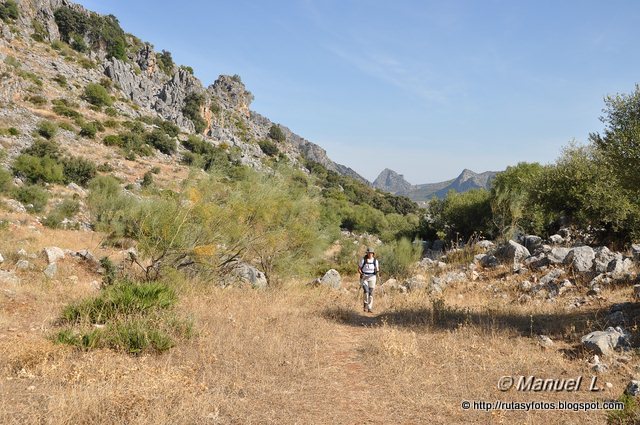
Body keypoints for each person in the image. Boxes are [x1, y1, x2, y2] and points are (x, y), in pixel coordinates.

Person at [358, 247, 379, 313]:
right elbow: (359, 269)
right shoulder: (363, 260)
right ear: (367, 253)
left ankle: (369, 308)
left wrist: (377, 271)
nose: (370, 254)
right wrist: (361, 273)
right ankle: (365, 305)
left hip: (372, 277)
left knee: (371, 292)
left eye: (371, 253)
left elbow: (377, 269)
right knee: (366, 291)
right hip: (364, 277)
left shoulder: (375, 261)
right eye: (369, 253)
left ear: (373, 254)